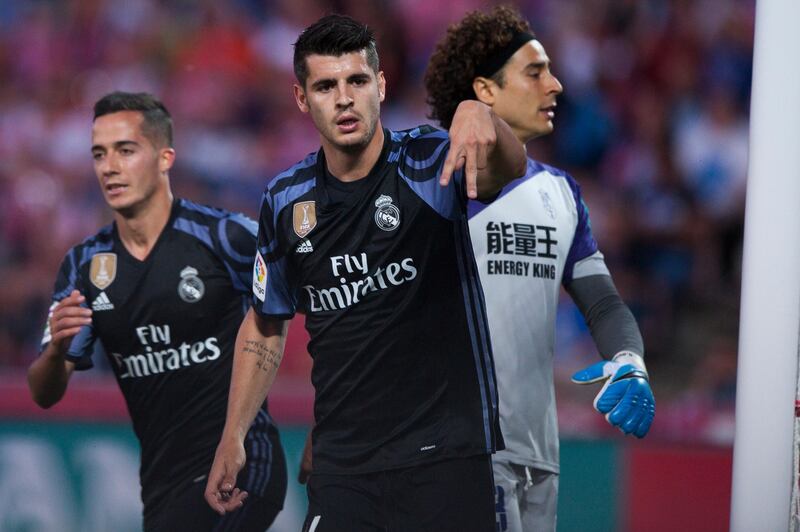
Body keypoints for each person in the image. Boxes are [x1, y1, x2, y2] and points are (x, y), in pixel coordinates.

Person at [204, 14, 527, 532]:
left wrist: (480, 115)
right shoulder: (287, 201)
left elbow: (509, 168)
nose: (344, 98)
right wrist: (234, 435)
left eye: (356, 81)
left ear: (380, 84)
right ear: (302, 98)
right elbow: (267, 322)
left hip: (445, 460)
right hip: (343, 468)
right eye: (326, 86)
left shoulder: (429, 163)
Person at [424, 6, 655, 532]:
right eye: (535, 72)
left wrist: (628, 358)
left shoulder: (561, 193)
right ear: (484, 90)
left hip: (539, 455)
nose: (555, 84)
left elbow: (603, 303)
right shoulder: (437, 180)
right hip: (462, 451)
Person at [28, 91, 287, 532]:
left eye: (125, 150)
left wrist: (327, 425)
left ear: (165, 157)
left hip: (244, 460)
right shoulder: (86, 267)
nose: (109, 167)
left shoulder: (226, 237)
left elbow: (307, 306)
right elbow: (44, 392)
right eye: (99, 154)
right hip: (165, 488)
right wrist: (55, 352)